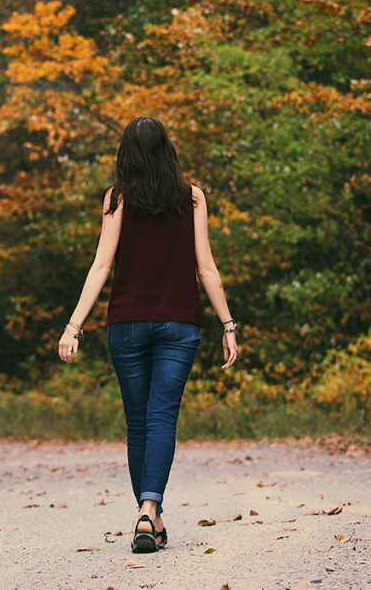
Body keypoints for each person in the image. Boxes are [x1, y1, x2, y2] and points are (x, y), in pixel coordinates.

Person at [57, 116, 238, 554]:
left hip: (128, 324)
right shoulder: (192, 198)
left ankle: (146, 514)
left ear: (127, 154)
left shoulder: (116, 199)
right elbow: (206, 267)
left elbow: (101, 265)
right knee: (162, 418)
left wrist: (73, 325)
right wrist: (228, 324)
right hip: (180, 324)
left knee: (137, 422)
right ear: (167, 150)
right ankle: (150, 510)